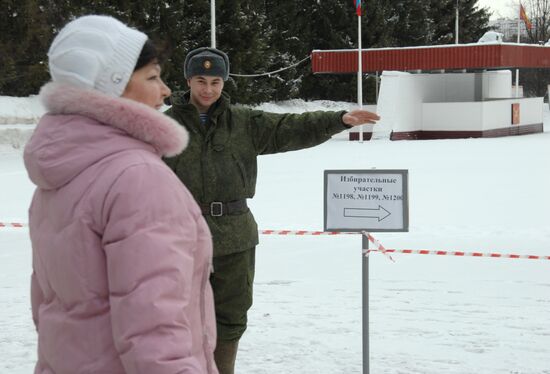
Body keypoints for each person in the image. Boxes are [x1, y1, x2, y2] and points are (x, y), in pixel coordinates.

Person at [163, 47, 380, 374]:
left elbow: (291, 128)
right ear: (188, 80)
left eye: (216, 81)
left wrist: (337, 120)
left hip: (235, 237)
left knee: (231, 317)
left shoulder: (244, 122)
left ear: (224, 83)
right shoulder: (165, 126)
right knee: (179, 315)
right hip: (181, 237)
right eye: (200, 80)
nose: (208, 89)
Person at [24, 16, 218, 374]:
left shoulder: (61, 174)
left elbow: (48, 306)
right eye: (152, 77)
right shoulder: (138, 178)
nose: (165, 91)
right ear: (113, 89)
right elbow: (155, 325)